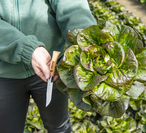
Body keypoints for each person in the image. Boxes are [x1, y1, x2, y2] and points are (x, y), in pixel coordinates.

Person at [0, 0, 97, 133]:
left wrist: (89, 45)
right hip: (4, 73)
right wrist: (28, 49)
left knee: (58, 126)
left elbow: (73, 7)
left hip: (51, 66)